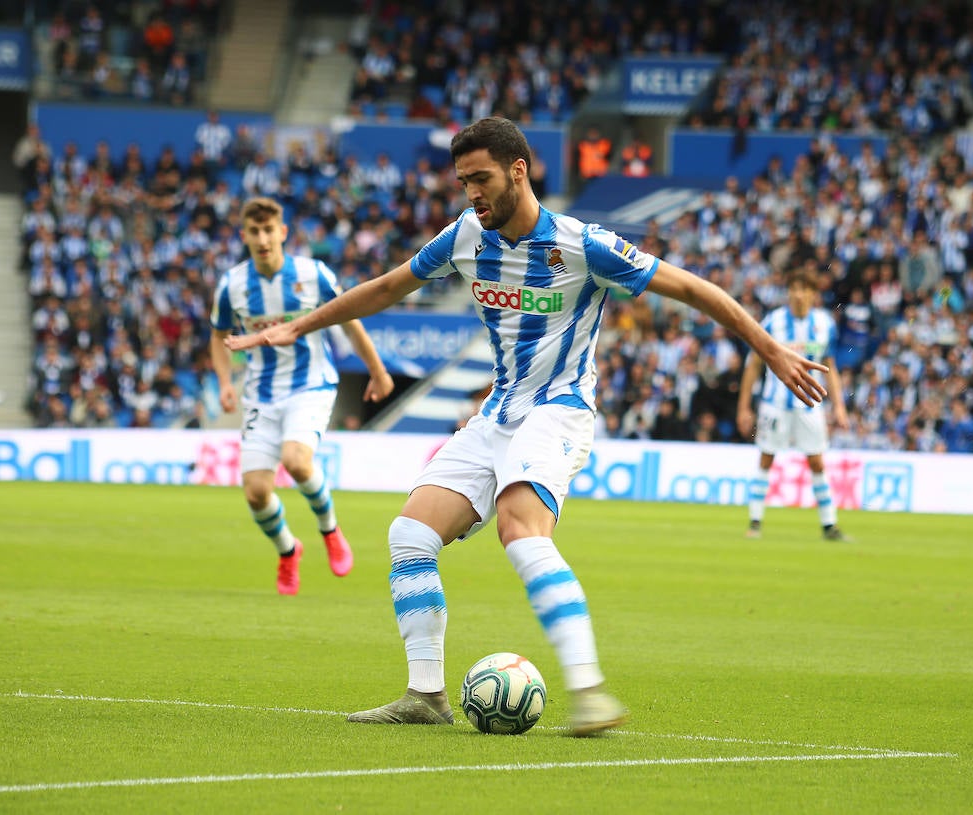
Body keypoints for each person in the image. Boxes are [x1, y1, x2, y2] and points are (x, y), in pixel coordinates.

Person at [223, 117, 827, 736]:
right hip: (498, 412)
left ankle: (589, 692)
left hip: (559, 408)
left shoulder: (580, 244)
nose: (471, 194)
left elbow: (694, 289)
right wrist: (298, 327)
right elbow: (385, 288)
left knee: (518, 526)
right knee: (408, 537)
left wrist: (772, 349)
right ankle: (425, 694)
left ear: (519, 169)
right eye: (463, 182)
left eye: (480, 178)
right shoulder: (465, 237)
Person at [211, 197, 394, 595]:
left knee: (296, 461)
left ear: (282, 233)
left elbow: (350, 323)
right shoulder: (233, 286)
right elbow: (217, 335)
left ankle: (330, 530)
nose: (262, 239)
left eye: (268, 230)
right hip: (260, 393)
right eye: (254, 232)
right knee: (257, 493)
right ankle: (289, 550)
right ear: (244, 236)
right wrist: (225, 381)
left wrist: (378, 371)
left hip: (310, 384)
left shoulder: (313, 275)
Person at [736, 268, 851, 541]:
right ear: (788, 292)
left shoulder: (825, 324)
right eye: (794, 289)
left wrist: (839, 406)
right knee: (766, 457)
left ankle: (829, 526)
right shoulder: (773, 322)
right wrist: (744, 406)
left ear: (813, 294)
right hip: (774, 404)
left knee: (817, 462)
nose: (798, 295)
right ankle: (754, 523)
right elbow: (753, 365)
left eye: (804, 289)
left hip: (809, 404)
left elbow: (830, 367)